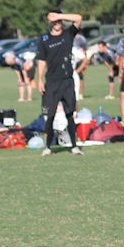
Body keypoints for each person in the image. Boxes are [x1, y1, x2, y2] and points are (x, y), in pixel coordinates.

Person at [35, 11, 84, 156]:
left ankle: (74, 146)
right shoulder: (44, 39)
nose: (57, 23)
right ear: (49, 22)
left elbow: (78, 18)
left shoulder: (68, 34)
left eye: (59, 21)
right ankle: (47, 147)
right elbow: (42, 61)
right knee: (50, 115)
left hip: (67, 81)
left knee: (70, 114)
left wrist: (60, 16)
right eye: (54, 21)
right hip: (52, 82)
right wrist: (39, 79)